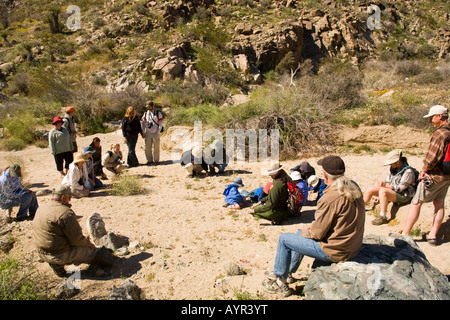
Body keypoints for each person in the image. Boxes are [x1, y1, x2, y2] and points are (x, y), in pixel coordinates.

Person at [262, 155, 365, 296]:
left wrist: (307, 230)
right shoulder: (353, 187)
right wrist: (306, 230)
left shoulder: (329, 198)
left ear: (324, 175)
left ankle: (280, 280)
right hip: (352, 246)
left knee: (285, 239)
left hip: (335, 251)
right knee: (299, 235)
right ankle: (289, 272)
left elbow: (317, 234)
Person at [32, 184, 114, 277]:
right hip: (59, 254)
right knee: (93, 252)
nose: (70, 200)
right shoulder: (65, 213)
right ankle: (63, 263)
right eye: (69, 197)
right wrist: (87, 244)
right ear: (63, 198)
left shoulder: (42, 207)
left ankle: (57, 265)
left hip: (42, 252)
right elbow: (76, 239)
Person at [402, 105, 450, 246]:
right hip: (447, 175)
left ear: (440, 116)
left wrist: (424, 169)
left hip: (434, 175)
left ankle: (405, 234)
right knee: (439, 204)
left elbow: (432, 156)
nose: (430, 121)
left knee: (416, 202)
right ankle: (433, 235)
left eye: (432, 117)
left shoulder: (440, 133)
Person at [364, 150, 417, 225]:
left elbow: (400, 188)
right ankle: (361, 207)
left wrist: (385, 186)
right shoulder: (392, 168)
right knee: (371, 189)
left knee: (383, 191)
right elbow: (388, 182)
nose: (390, 165)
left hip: (404, 195)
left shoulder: (408, 172)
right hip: (393, 191)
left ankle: (383, 216)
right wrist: (381, 195)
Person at [141, 101, 163, 165]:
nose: (148, 108)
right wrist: (143, 131)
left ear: (153, 106)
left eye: (149, 106)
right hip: (148, 132)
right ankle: (149, 160)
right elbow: (143, 123)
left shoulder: (158, 113)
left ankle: (156, 160)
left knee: (156, 147)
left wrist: (158, 131)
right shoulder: (145, 113)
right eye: (147, 107)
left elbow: (161, 123)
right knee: (147, 147)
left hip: (155, 132)